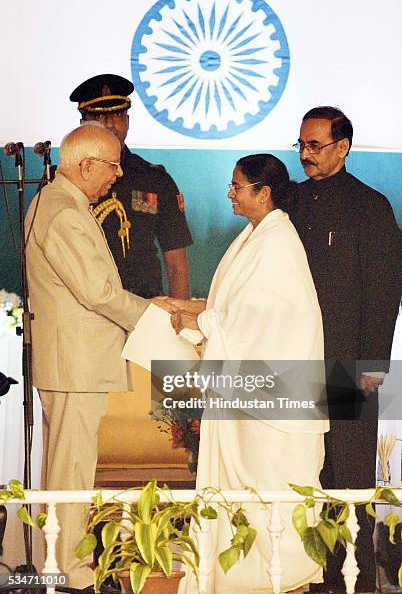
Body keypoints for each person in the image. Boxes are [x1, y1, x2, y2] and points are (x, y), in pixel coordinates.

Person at [157, 154, 329, 594]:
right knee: (241, 496)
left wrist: (201, 322)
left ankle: (278, 581)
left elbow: (261, 323)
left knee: (270, 492)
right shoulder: (254, 237)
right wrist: (187, 309)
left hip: (273, 401)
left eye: (237, 186)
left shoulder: (277, 243)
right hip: (249, 394)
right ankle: (237, 580)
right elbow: (233, 310)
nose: (230, 193)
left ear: (263, 192)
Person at [26, 124, 150, 591]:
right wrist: (154, 316)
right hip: (73, 365)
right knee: (70, 471)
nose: (118, 174)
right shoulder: (65, 212)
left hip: (71, 363)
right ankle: (67, 573)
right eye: (113, 165)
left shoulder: (62, 204)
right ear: (86, 166)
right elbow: (100, 293)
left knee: (63, 468)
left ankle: (54, 565)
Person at [290, 106, 402, 593]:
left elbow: (384, 291)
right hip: (293, 362)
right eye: (301, 145)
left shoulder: (370, 207)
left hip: (347, 366)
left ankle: (355, 579)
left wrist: (372, 365)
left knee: (349, 473)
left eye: (315, 145)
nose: (306, 155)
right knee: (305, 469)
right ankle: (312, 571)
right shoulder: (289, 203)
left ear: (343, 147)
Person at [69, 73, 193, 298]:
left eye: (116, 115)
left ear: (127, 120)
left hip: (143, 308)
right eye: (98, 117)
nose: (108, 125)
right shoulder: (66, 180)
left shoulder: (155, 180)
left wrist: (180, 322)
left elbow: (177, 266)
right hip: (85, 314)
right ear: (82, 124)